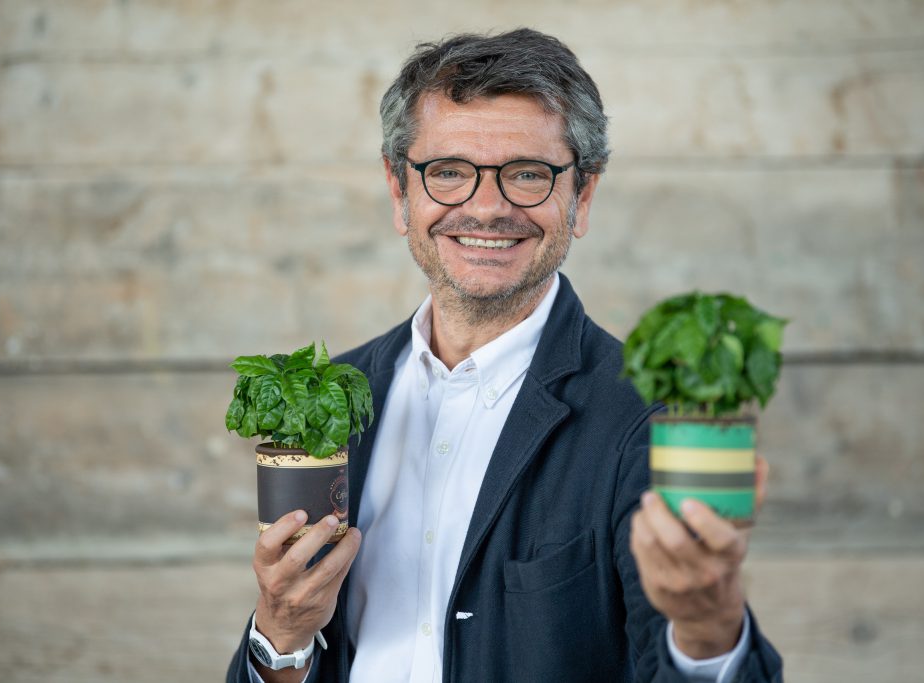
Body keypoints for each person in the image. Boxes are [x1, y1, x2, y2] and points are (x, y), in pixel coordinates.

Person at [227, 28, 783, 683]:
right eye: (448, 171)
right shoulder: (333, 399)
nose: (487, 208)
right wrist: (281, 636)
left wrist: (709, 631)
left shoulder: (649, 419)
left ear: (581, 197)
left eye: (527, 174)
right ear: (399, 191)